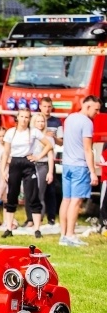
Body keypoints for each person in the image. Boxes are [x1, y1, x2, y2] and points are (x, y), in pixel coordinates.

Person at [0, 109, 53, 239]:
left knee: (33, 195)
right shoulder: (11, 132)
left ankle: (37, 229)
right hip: (15, 162)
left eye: (27, 117)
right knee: (12, 195)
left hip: (28, 162)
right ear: (17, 118)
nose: (24, 119)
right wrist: (3, 170)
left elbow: (48, 144)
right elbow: (6, 153)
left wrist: (38, 156)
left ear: (29, 119)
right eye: (22, 117)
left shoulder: (33, 132)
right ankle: (9, 228)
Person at [58, 96, 100, 246]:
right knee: (76, 202)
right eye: (96, 109)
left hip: (67, 164)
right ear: (88, 106)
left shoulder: (70, 118)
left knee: (66, 200)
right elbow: (87, 149)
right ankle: (70, 235)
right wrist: (93, 171)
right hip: (79, 166)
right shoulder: (87, 122)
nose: (97, 112)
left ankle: (63, 235)